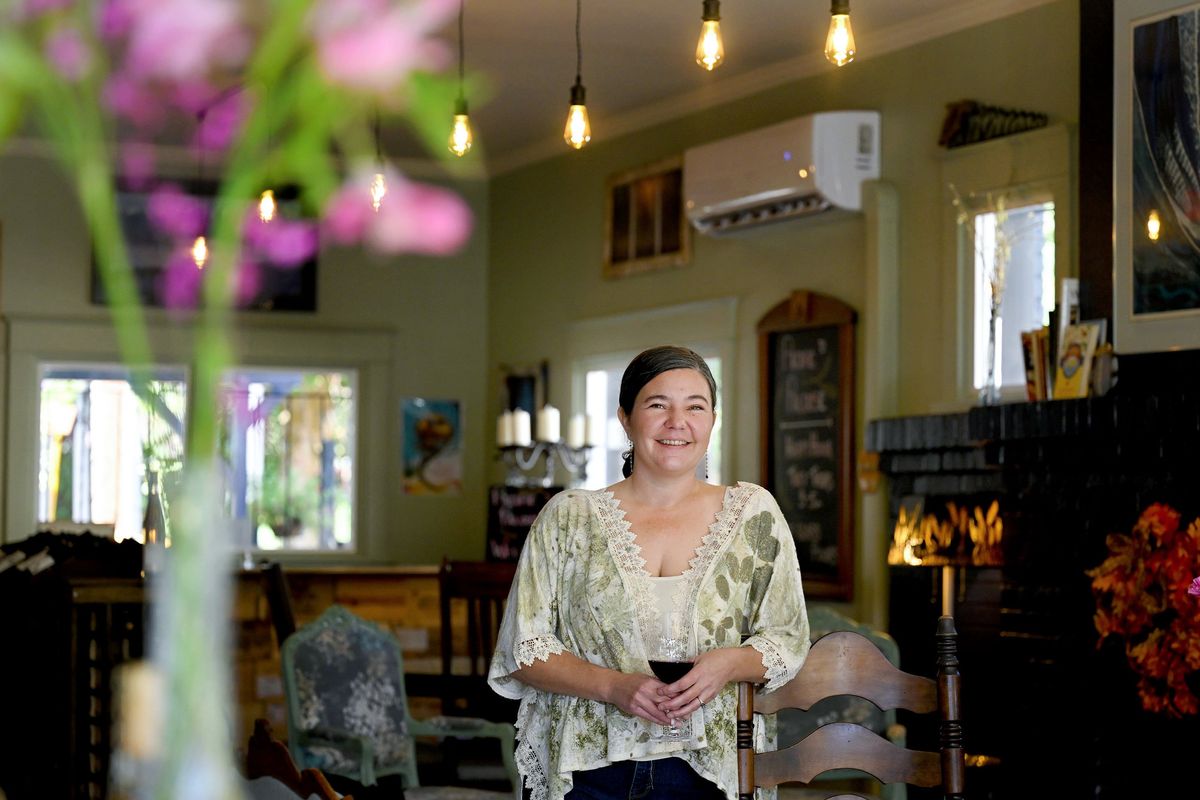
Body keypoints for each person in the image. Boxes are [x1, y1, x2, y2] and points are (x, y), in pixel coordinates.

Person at [489, 345, 810, 800]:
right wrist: (616, 687)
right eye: (657, 405)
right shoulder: (568, 518)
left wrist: (726, 664)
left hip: (710, 768)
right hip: (585, 771)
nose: (677, 422)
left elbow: (787, 638)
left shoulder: (753, 515)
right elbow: (525, 648)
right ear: (625, 418)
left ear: (712, 420)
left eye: (694, 407)